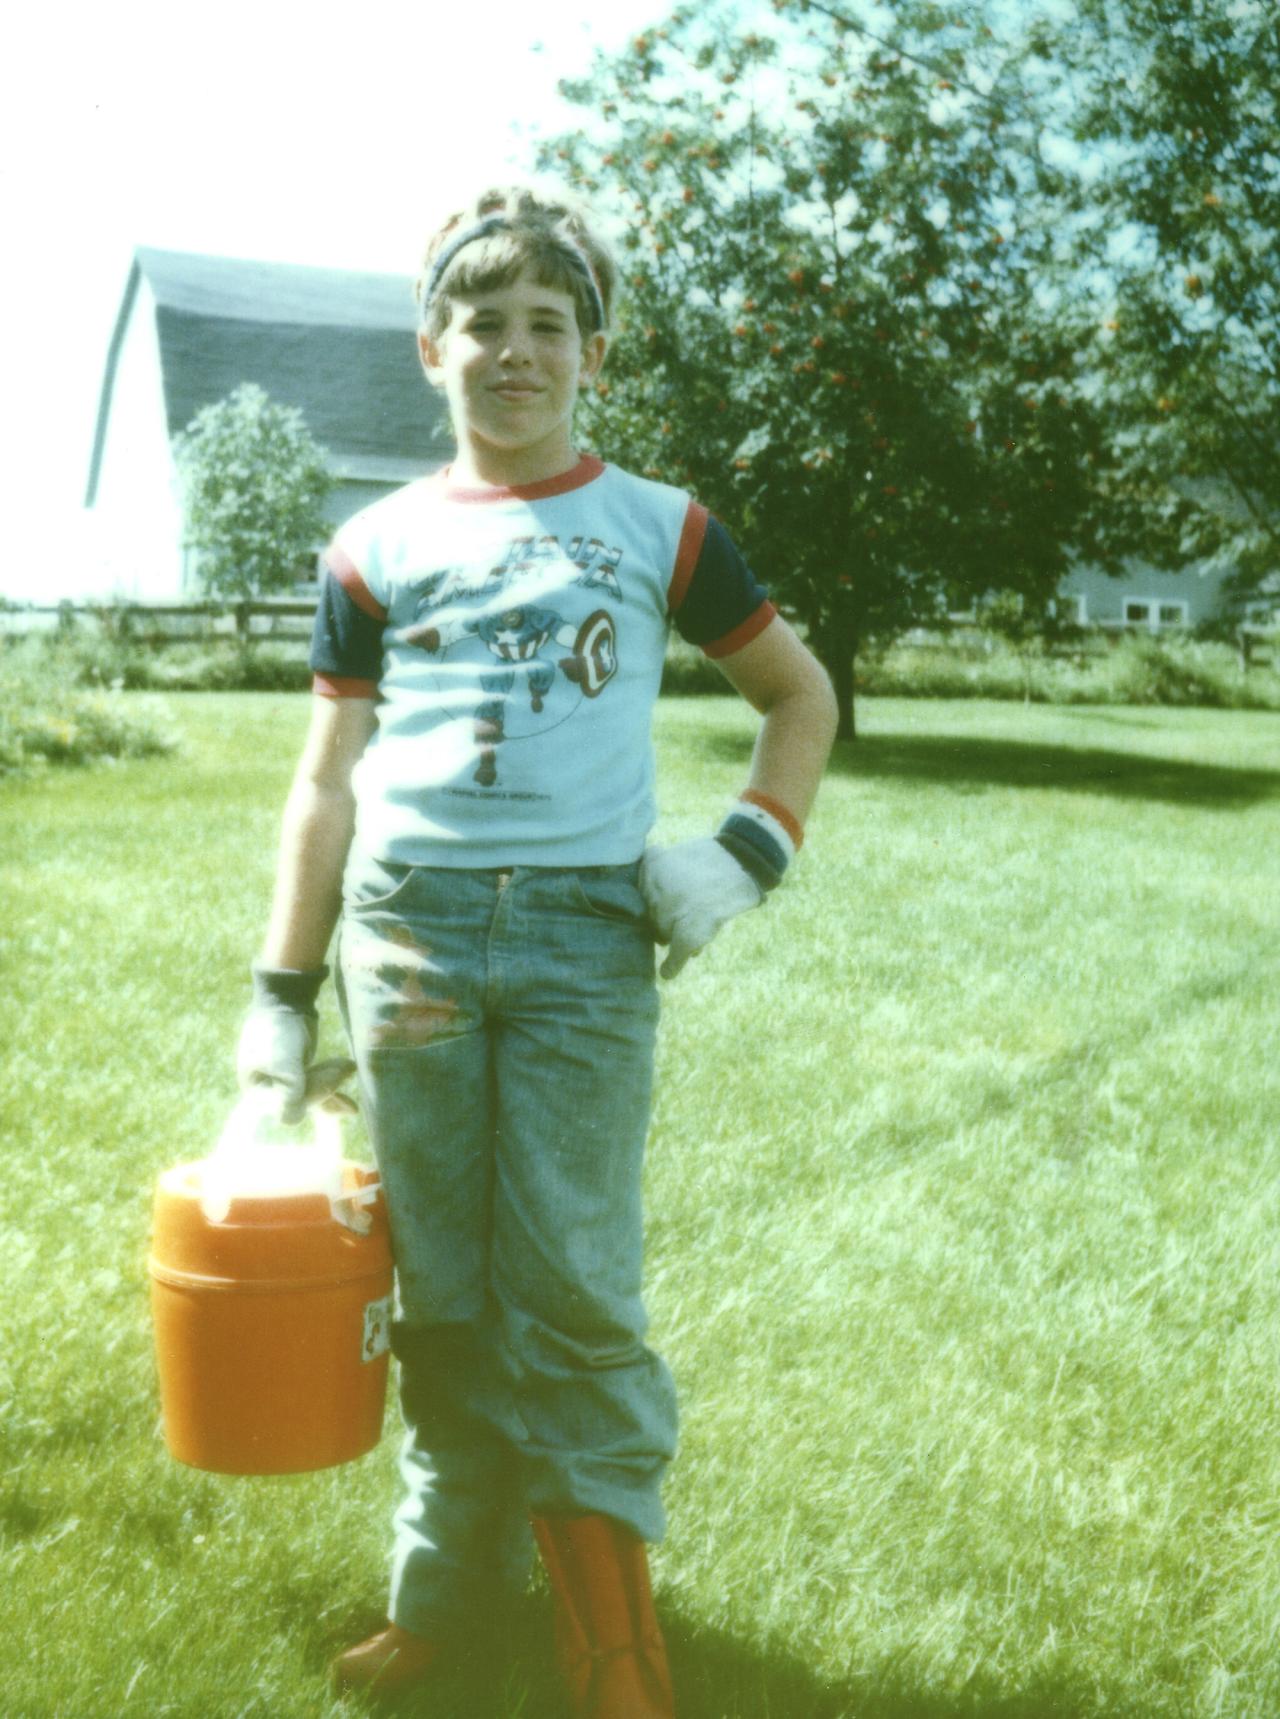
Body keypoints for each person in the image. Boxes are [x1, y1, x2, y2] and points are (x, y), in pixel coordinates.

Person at [237, 183, 837, 1716]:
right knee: (442, 1290)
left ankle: (614, 1647)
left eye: (549, 325)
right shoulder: (374, 544)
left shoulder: (659, 527)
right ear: (429, 349)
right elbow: (324, 786)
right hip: (411, 944)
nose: (516, 351)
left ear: (594, 357)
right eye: (483, 323)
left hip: (581, 946)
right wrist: (279, 1004)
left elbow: (801, 696)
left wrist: (743, 854)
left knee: (569, 1286)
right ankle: (443, 1605)